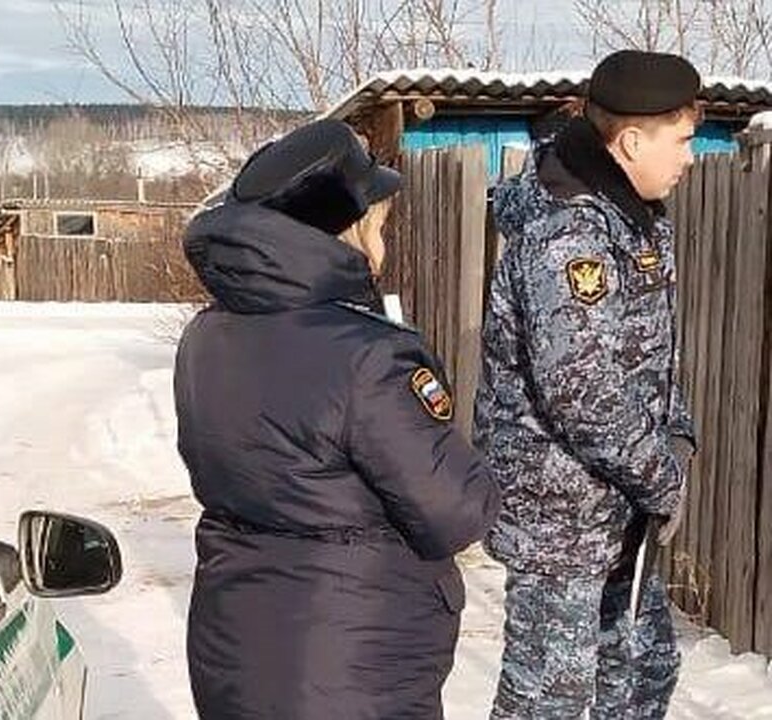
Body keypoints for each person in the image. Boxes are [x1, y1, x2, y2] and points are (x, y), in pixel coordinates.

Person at [176, 118, 500, 719]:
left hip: (238, 641)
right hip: (350, 658)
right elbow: (454, 510)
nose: (383, 244)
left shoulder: (206, 338)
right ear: (342, 232)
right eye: (377, 226)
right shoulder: (370, 355)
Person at [475, 49, 700, 719]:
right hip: (560, 519)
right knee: (548, 700)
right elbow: (583, 391)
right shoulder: (569, 234)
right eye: (683, 140)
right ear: (631, 140)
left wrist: (677, 429)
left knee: (641, 671)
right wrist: (661, 475)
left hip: (616, 505)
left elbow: (645, 352)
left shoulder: (632, 213)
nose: (690, 156)